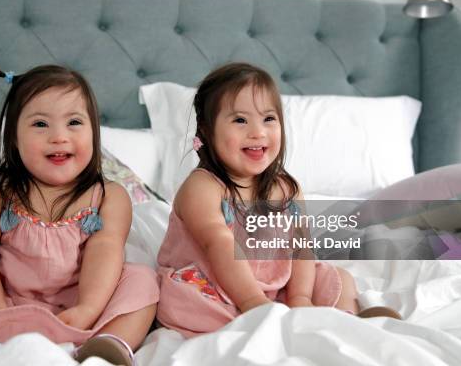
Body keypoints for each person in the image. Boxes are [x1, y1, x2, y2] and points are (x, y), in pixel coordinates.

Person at [0, 65, 159, 365]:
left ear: (94, 133)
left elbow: (105, 252)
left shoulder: (109, 196)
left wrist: (88, 309)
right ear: (14, 137)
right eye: (40, 124)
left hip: (82, 309)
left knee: (143, 282)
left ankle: (107, 346)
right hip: (4, 302)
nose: (59, 136)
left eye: (74, 122)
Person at [156, 63, 400, 337]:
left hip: (272, 286)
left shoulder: (286, 189)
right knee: (183, 299)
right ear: (207, 131)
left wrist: (300, 300)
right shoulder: (202, 188)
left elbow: (301, 248)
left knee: (337, 278)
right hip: (212, 281)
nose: (257, 132)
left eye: (268, 119)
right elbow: (219, 245)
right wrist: (254, 304)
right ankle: (258, 323)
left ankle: (344, 320)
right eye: (240, 120)